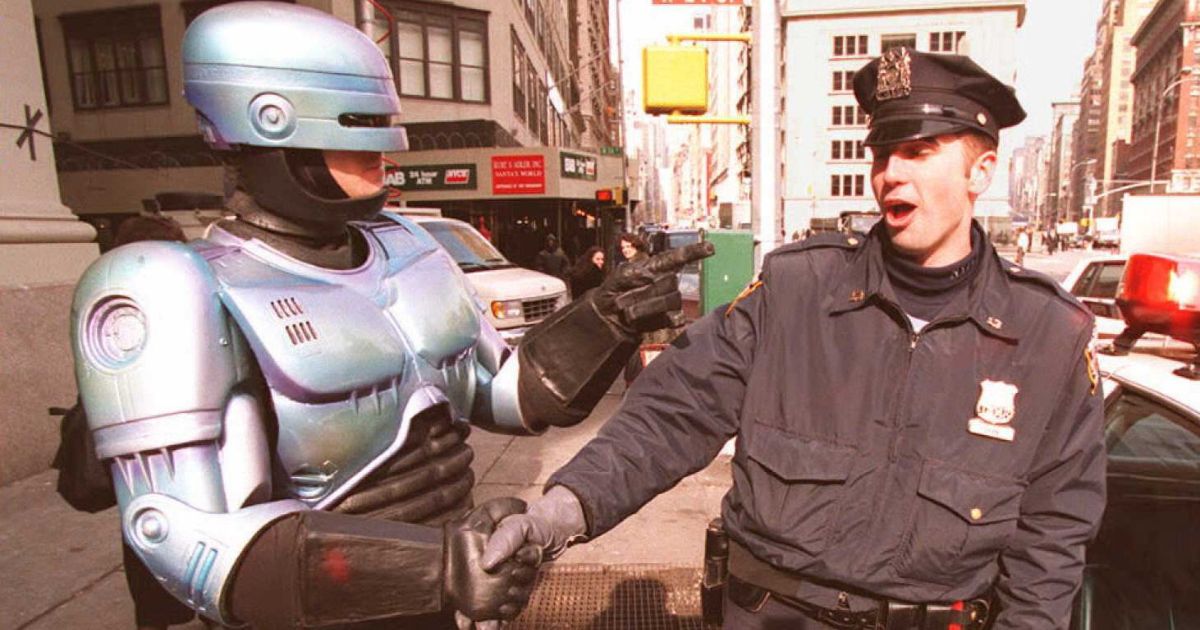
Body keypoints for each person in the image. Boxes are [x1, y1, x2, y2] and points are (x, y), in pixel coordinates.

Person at [68, 4, 707, 628]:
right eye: (358, 127)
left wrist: (607, 321)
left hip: (444, 599)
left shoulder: (410, 246)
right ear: (273, 127)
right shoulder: (175, 285)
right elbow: (176, 533)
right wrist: (437, 570)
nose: (385, 147)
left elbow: (504, 395)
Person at [482, 47, 1105, 629]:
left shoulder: (1050, 338)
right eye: (882, 153)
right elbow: (670, 416)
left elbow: (1050, 542)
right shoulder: (797, 289)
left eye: (919, 152)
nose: (890, 174)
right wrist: (551, 519)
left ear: (982, 172)